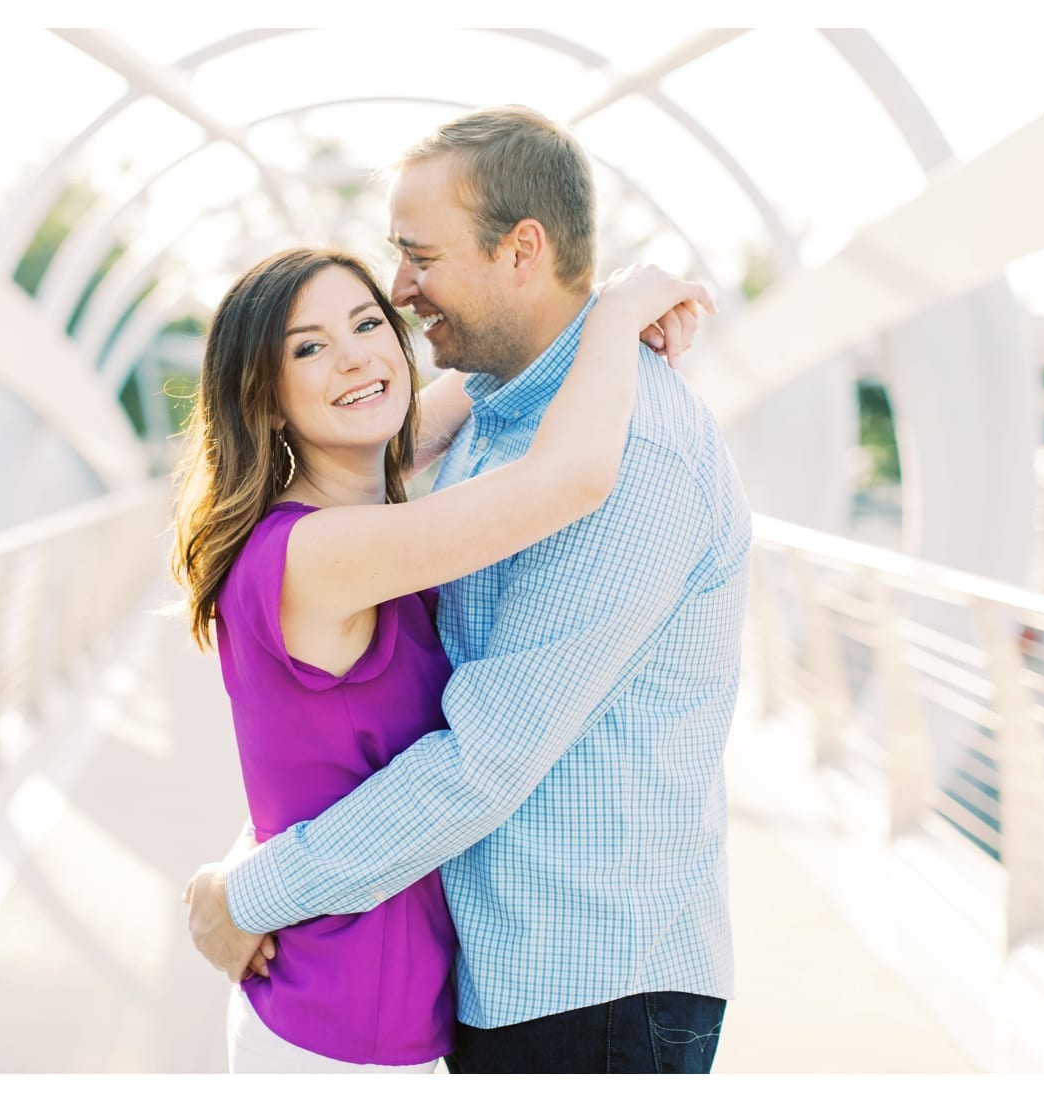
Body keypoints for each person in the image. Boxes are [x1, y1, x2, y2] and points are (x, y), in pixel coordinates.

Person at [186, 104, 751, 1074]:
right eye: (308, 346)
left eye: (415, 261)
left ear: (522, 249)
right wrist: (607, 313)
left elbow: (481, 759)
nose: (401, 296)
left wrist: (249, 890)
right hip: (441, 992)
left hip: (592, 986)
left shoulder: (628, 448)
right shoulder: (491, 428)